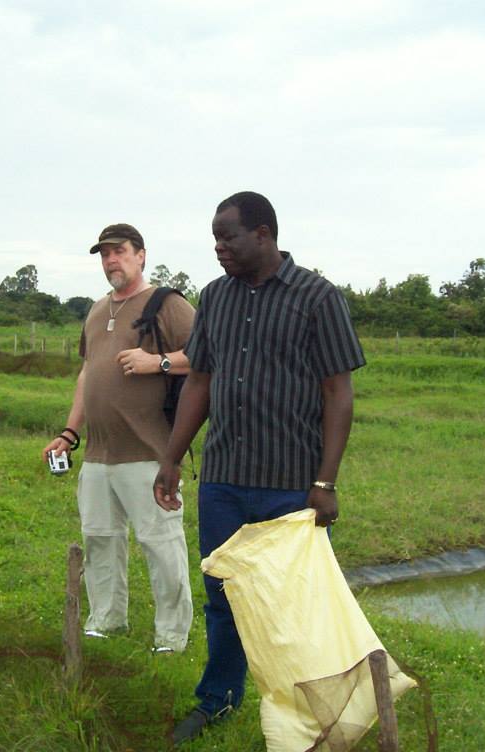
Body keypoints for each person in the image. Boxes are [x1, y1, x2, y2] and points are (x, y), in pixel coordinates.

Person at [153, 192, 366, 744]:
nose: (219, 248)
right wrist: (172, 458)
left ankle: (310, 710)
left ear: (264, 234)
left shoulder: (317, 298)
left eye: (229, 237)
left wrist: (325, 482)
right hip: (224, 478)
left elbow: (337, 391)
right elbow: (198, 380)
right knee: (223, 595)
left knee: (293, 603)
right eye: (215, 239)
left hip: (289, 483)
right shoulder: (215, 298)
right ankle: (218, 698)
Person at [42, 223, 195, 653]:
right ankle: (106, 621)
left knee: (161, 544)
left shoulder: (168, 304)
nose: (112, 260)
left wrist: (157, 363)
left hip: (149, 451)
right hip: (98, 455)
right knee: (100, 539)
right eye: (105, 254)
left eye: (120, 251)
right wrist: (70, 432)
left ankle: (171, 637)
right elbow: (88, 374)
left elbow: (209, 354)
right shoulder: (95, 311)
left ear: (141, 255)